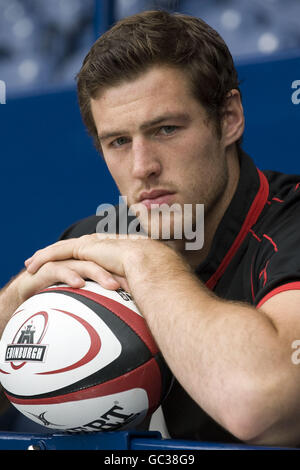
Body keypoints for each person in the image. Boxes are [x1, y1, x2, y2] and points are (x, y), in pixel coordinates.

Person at [1, 10, 300, 446]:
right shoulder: (95, 244)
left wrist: (150, 264)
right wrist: (14, 303)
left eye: (166, 129)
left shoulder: (288, 224)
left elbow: (260, 407)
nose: (143, 168)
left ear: (230, 117)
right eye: (118, 142)